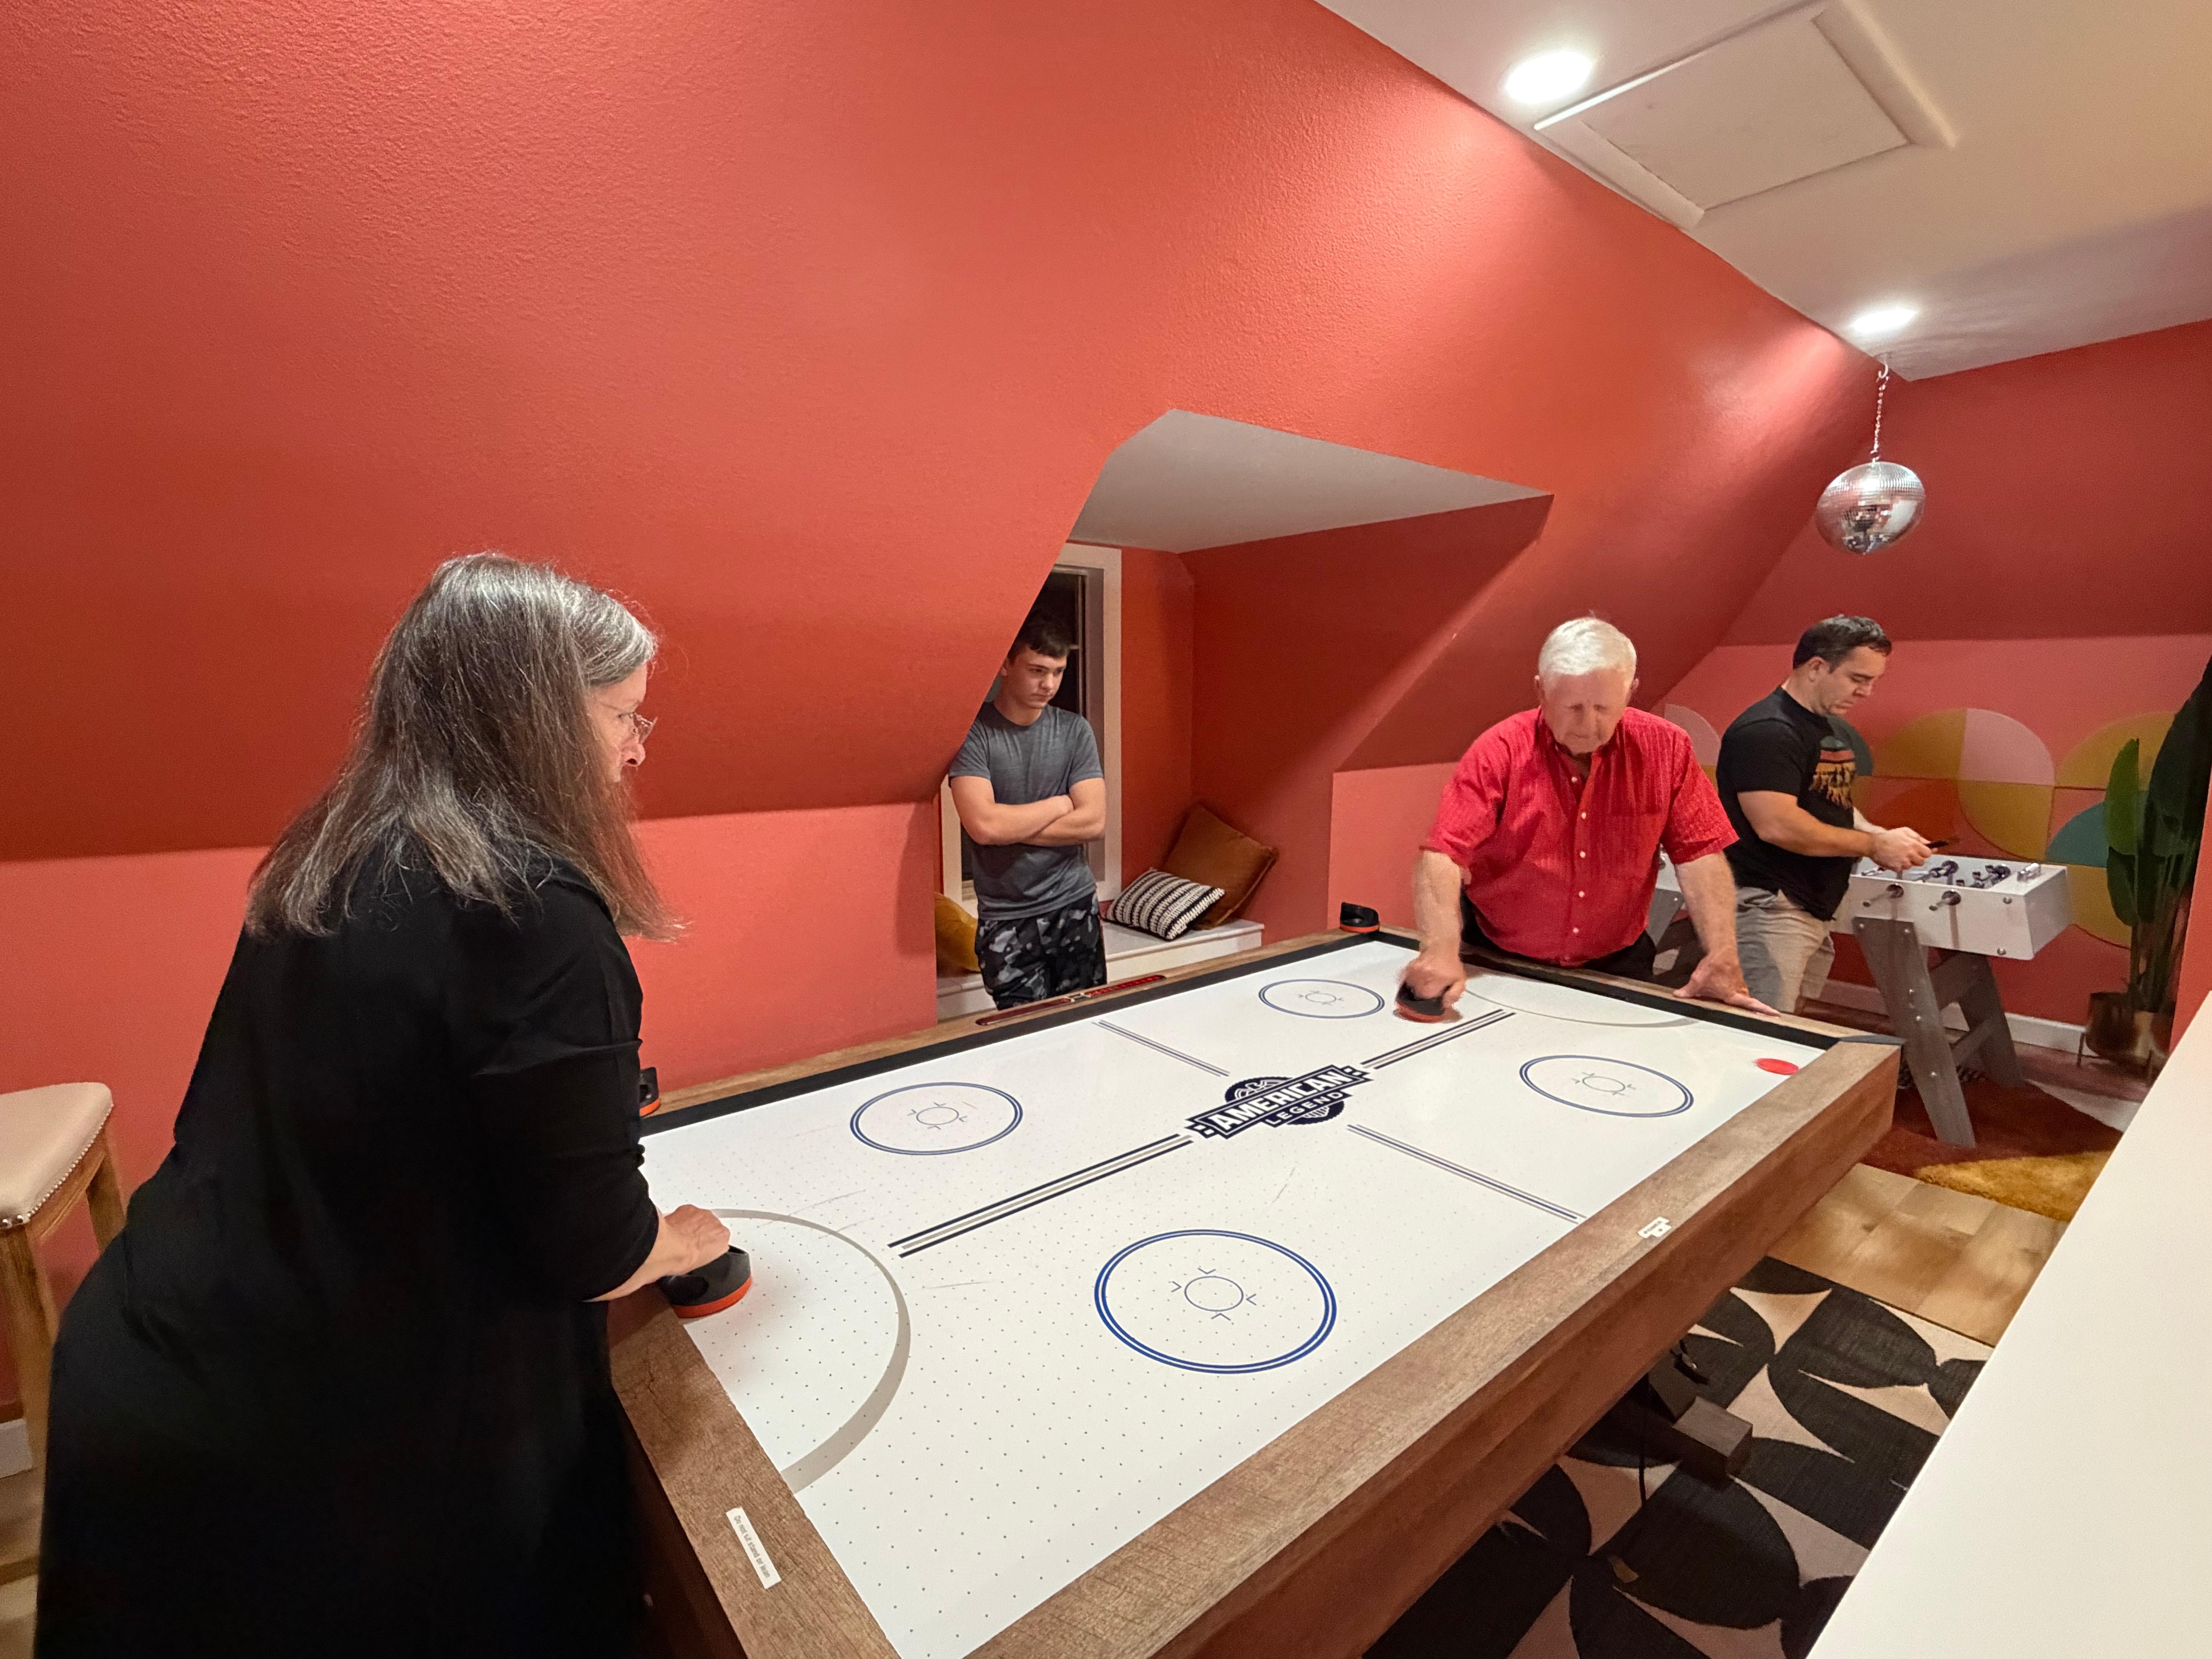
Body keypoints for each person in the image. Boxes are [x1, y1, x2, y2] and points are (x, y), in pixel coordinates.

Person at [38, 555, 732, 1658]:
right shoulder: (539, 911)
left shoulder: (332, 846)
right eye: (623, 716)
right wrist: (683, 1239)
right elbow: (590, 1245)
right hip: (327, 1452)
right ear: (541, 720)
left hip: (158, 1356)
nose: (637, 748)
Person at [1403, 617, 1769, 1015]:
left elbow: (1699, 853)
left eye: (1603, 708)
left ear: (1631, 693)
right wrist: (1439, 949)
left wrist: (1721, 954)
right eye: (1572, 707)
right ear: (1541, 690)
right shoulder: (1500, 749)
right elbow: (1443, 854)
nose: (1587, 726)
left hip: (1618, 962)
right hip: (1500, 957)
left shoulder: (1669, 748)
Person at [1717, 614, 1933, 1013]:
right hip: (1770, 906)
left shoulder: (1831, 729)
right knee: (1759, 1032)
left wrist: (1881, 835)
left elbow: (1832, 804)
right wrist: (1873, 845)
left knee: (1791, 1021)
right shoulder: (1767, 731)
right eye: (1857, 678)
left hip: (1813, 903)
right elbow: (1778, 825)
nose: (1867, 692)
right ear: (1817, 667)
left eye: (1873, 681)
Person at [948, 612, 1108, 1008]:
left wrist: (1009, 823)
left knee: (1087, 1025)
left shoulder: (1075, 730)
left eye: (1058, 672)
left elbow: (1094, 821)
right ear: (1005, 664)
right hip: (1007, 917)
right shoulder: (972, 733)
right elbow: (983, 827)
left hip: (1074, 904)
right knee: (1023, 1037)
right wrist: (1060, 803)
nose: (1049, 685)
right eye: (1037, 670)